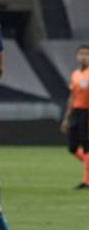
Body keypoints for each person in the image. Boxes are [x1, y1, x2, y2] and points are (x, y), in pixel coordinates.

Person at [61, 45, 89, 189]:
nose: (83, 57)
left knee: (86, 144)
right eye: (81, 54)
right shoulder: (75, 74)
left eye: (86, 54)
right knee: (72, 147)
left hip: (87, 112)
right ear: (77, 56)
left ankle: (87, 181)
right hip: (76, 112)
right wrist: (66, 117)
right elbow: (72, 97)